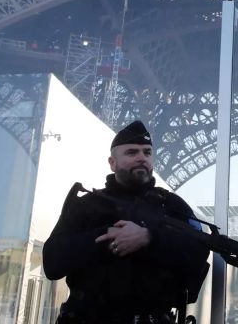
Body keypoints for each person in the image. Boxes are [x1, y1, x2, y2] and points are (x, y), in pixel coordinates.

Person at [43, 120, 209, 323]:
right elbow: (52, 263)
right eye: (132, 152)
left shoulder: (173, 206)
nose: (141, 158)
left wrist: (149, 238)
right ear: (112, 163)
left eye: (147, 152)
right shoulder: (86, 205)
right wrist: (108, 236)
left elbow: (199, 251)